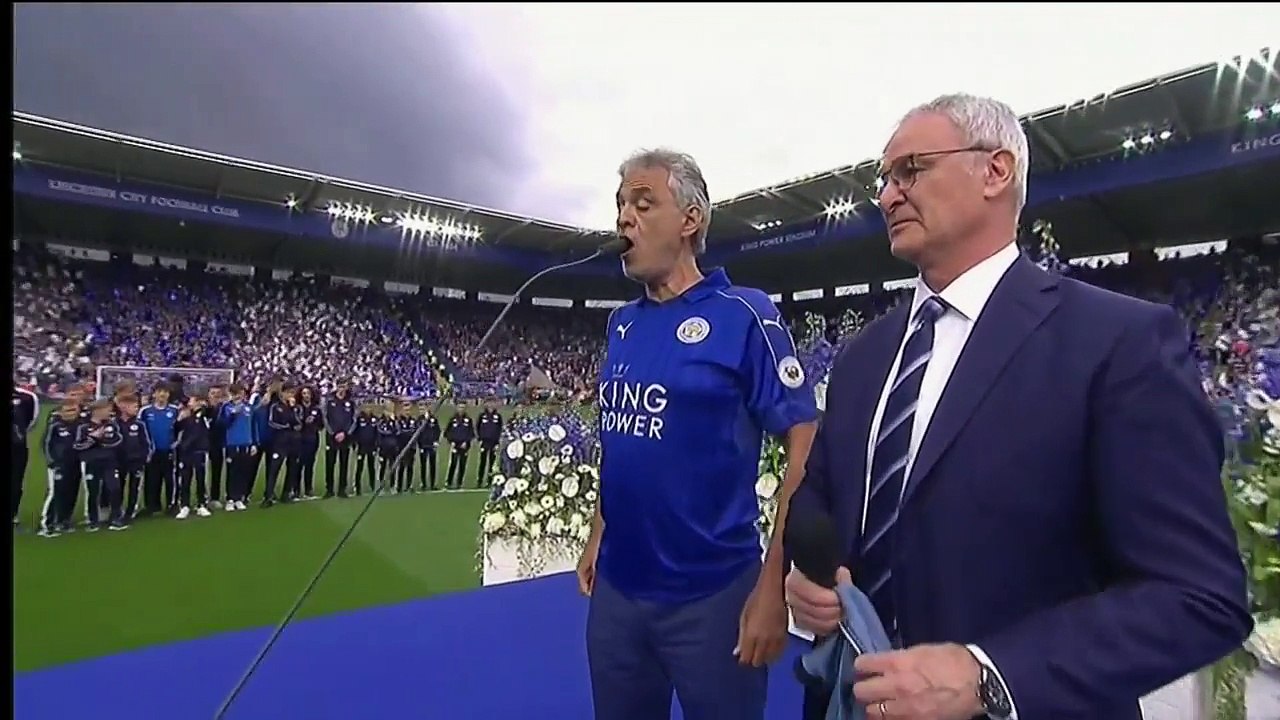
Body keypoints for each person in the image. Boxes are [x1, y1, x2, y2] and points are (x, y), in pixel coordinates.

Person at [783, 94, 1251, 720]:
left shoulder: (1116, 342)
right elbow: (821, 496)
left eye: (911, 170)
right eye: (884, 180)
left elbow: (1199, 595)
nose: (888, 195)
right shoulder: (866, 357)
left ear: (995, 171)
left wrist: (987, 675)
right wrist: (811, 577)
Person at [579, 148, 818, 720]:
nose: (623, 219)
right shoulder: (623, 323)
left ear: (691, 220)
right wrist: (596, 531)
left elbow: (804, 438)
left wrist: (774, 584)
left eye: (643, 203)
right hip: (618, 592)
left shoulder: (746, 315)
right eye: (620, 206)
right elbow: (625, 441)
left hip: (713, 597)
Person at [322, 378, 357, 498]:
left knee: (344, 463)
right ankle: (329, 489)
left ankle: (342, 489)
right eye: (340, 386)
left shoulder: (351, 401)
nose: (342, 389)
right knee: (330, 463)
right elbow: (325, 418)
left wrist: (346, 433)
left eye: (344, 386)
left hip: (345, 437)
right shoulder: (329, 400)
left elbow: (354, 419)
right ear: (336, 386)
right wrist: (333, 433)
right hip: (332, 437)